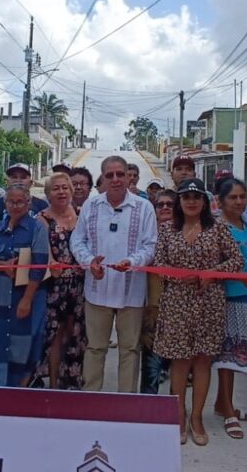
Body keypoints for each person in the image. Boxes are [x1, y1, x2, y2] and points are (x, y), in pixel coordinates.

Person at [154, 178, 244, 446]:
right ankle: (179, 416)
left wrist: (212, 274)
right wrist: (178, 277)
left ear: (204, 201)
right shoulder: (169, 230)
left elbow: (237, 260)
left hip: (209, 302)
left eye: (196, 196)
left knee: (203, 361)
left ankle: (197, 417)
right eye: (186, 197)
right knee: (180, 361)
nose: (191, 201)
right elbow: (158, 263)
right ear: (180, 202)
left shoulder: (217, 229)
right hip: (177, 302)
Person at [72, 155, 159, 393]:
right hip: (97, 290)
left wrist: (131, 261)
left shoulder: (144, 207)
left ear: (129, 176)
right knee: (95, 347)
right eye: (109, 175)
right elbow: (77, 240)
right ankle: (91, 397)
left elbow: (150, 245)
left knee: (129, 349)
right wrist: (90, 262)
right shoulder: (92, 205)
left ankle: (126, 402)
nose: (116, 179)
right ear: (103, 178)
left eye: (120, 174)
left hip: (131, 291)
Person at [214, 178, 247, 440]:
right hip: (228, 298)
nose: (239, 202)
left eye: (242, 197)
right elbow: (215, 265)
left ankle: (223, 403)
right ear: (221, 201)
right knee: (227, 357)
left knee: (238, 356)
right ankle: (227, 410)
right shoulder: (216, 227)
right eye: (233, 197)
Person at [0, 184, 50, 387]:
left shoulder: (37, 228)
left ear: (28, 203)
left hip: (26, 297)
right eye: (11, 201)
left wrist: (27, 300)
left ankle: (20, 389)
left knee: (24, 346)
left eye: (20, 201)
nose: (15, 206)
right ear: (5, 203)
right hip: (1, 297)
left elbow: (39, 266)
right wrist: (2, 265)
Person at [36, 172, 86, 390]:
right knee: (55, 336)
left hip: (81, 284)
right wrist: (51, 262)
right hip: (54, 286)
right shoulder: (41, 218)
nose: (61, 191)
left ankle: (73, 381)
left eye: (65, 187)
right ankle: (55, 384)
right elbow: (43, 253)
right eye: (56, 188)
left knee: (76, 334)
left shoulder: (82, 214)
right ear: (48, 193)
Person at [141, 189, 177, 395]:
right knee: (150, 354)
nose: (164, 208)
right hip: (153, 302)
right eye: (160, 205)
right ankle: (148, 401)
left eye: (169, 204)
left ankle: (176, 405)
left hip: (180, 301)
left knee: (178, 358)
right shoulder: (147, 232)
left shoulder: (186, 231)